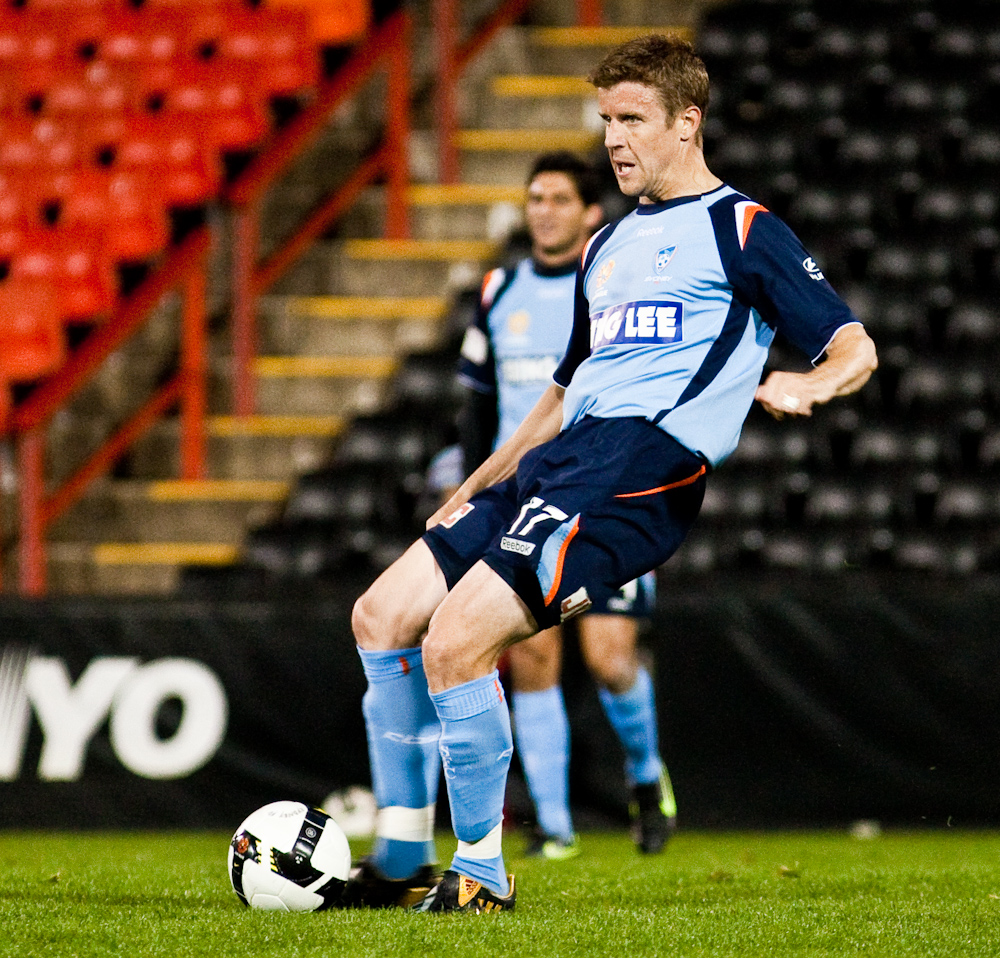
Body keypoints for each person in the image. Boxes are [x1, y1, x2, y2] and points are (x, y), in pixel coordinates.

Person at [347, 34, 878, 914]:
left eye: (632, 120)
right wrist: (479, 480)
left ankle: (480, 875)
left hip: (643, 464)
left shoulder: (742, 229)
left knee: (453, 644)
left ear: (687, 124)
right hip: (563, 456)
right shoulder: (605, 248)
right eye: (606, 122)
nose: (614, 141)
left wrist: (809, 382)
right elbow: (564, 389)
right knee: (379, 616)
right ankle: (402, 856)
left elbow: (855, 345)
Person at [456, 150, 676, 861]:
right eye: (533, 197)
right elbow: (478, 408)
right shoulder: (497, 290)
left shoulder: (616, 287)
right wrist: (471, 489)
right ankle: (554, 826)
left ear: (589, 213)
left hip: (604, 492)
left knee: (611, 658)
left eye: (556, 198)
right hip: (522, 501)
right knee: (533, 659)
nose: (541, 210)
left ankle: (646, 779)